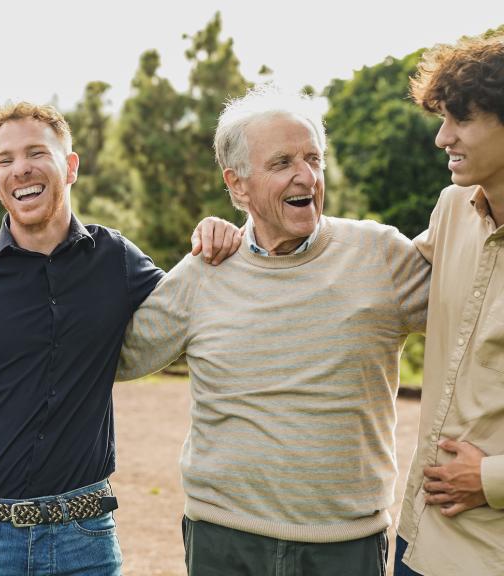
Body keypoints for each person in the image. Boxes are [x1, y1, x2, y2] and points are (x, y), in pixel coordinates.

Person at [117, 86, 431, 576]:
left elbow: (474, 317)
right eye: (282, 162)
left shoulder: (379, 255)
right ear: (238, 185)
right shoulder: (206, 269)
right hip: (223, 540)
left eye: (313, 158)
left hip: (344, 543)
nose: (305, 175)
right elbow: (111, 355)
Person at [0, 102, 164, 576]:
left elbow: (187, 308)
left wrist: (220, 238)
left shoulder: (115, 260)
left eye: (35, 153)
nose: (19, 168)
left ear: (70, 166)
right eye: (3, 160)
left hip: (85, 540)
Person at [394, 33, 504, 576]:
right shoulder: (452, 207)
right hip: (417, 536)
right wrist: (248, 230)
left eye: (461, 119)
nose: (443, 138)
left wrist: (491, 480)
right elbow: (372, 277)